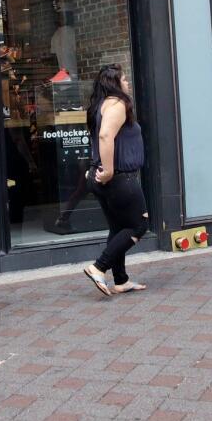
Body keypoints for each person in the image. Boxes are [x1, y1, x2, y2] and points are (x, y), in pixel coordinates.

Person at [81, 64, 149, 296]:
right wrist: (108, 170)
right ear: (115, 83)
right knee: (140, 225)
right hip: (118, 178)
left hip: (102, 177)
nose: (127, 82)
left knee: (118, 228)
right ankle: (99, 267)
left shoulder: (99, 106)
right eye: (124, 79)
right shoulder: (118, 104)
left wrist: (96, 168)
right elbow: (105, 135)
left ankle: (121, 279)